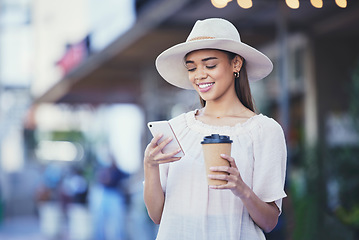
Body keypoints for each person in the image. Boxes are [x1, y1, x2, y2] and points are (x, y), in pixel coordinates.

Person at [143, 18, 287, 240]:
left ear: (236, 64)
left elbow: (269, 222)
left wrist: (241, 189)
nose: (199, 74)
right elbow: (157, 216)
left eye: (210, 65)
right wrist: (150, 166)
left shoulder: (265, 131)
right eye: (191, 68)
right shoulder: (177, 128)